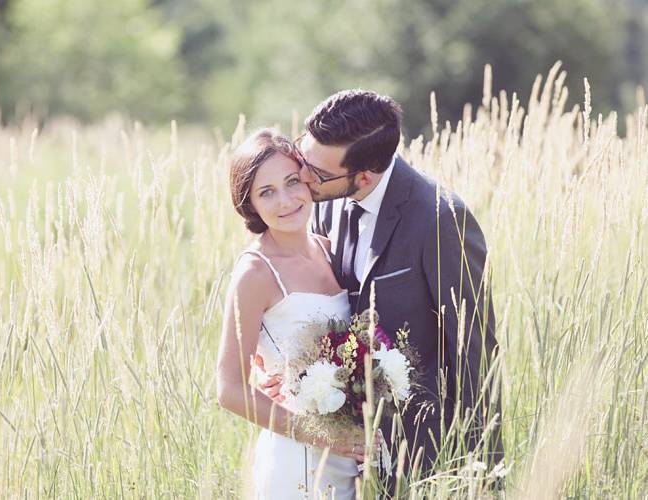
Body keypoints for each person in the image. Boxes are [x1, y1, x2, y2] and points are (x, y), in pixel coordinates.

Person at [279, 89, 505, 485]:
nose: (302, 175)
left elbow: (475, 352)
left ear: (364, 176)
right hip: (342, 451)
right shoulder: (323, 201)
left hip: (421, 447)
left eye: (318, 173)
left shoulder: (440, 219)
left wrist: (483, 475)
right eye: (304, 154)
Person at [215, 129, 364, 499]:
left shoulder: (329, 249)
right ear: (250, 205)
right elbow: (229, 389)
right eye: (267, 192)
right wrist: (324, 435)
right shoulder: (255, 272)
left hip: (351, 457)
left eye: (292, 182)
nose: (286, 200)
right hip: (297, 459)